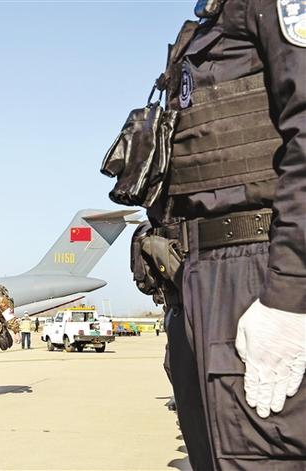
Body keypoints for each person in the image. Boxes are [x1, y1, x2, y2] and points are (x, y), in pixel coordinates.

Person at [124, 2, 306, 468]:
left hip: (258, 273)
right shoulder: (212, 21)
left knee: (261, 455)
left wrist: (289, 297)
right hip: (201, 280)